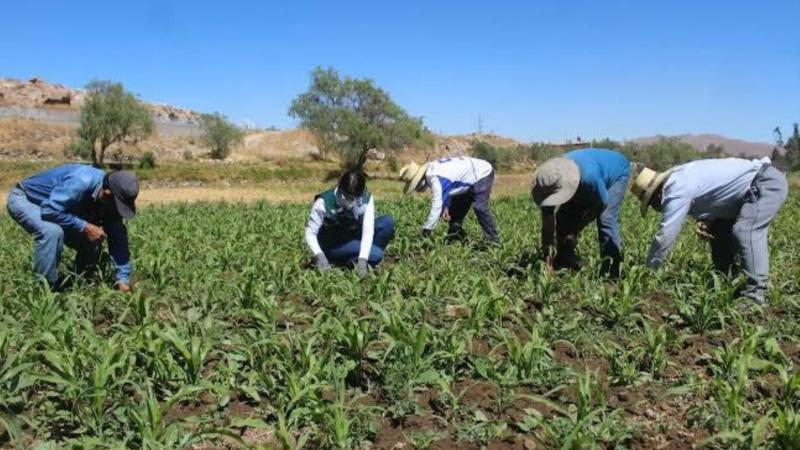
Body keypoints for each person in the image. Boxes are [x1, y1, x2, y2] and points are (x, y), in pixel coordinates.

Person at [632, 157, 787, 304]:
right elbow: (718, 191)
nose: (655, 208)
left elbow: (665, 235)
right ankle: (726, 282)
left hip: (763, 184)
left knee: (746, 231)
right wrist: (708, 219)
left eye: (651, 203)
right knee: (718, 231)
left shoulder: (676, 188)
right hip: (745, 192)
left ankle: (755, 295)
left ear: (656, 194)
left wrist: (649, 271)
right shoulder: (681, 178)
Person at [6, 164, 138, 291]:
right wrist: (85, 226)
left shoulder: (111, 201)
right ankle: (44, 290)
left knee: (93, 237)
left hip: (57, 208)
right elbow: (50, 210)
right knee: (52, 232)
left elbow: (118, 238)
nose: (117, 210)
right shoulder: (82, 181)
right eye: (117, 205)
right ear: (106, 193)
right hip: (27, 199)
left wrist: (123, 278)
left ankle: (81, 283)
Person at [531, 148, 630, 278]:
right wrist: (547, 260)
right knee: (562, 217)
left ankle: (612, 273)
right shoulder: (545, 182)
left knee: (606, 219)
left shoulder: (589, 177)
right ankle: (565, 260)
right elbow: (548, 223)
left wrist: (576, 229)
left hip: (617, 172)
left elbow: (601, 204)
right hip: (586, 175)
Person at [305, 170, 395, 277]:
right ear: (340, 188)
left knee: (387, 222)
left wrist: (362, 259)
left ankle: (358, 260)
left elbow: (368, 231)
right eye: (346, 196)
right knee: (376, 254)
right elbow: (310, 233)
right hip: (335, 244)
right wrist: (319, 255)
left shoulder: (366, 199)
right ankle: (342, 260)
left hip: (354, 234)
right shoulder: (324, 202)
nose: (350, 200)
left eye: (354, 197)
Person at [399, 156, 498, 243]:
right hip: (467, 177)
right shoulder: (433, 168)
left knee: (479, 207)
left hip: (482, 172)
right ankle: (455, 236)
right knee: (453, 213)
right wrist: (446, 206)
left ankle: (493, 240)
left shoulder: (434, 177)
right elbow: (449, 186)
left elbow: (436, 206)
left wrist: (427, 229)